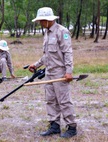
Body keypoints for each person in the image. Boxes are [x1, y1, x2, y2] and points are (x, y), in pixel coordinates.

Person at [29, 7, 77, 138]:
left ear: (48, 20)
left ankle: (72, 127)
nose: (40, 23)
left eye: (41, 21)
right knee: (50, 100)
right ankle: (54, 125)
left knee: (64, 101)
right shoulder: (47, 33)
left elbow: (68, 53)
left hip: (60, 72)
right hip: (49, 72)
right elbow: (47, 55)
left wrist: (69, 72)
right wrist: (36, 64)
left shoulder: (62, 31)